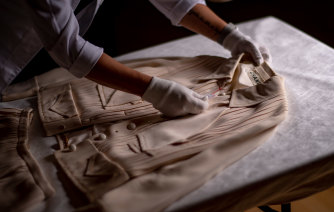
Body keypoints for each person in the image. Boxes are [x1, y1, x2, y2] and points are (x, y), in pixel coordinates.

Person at [0, 0, 270, 117]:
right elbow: (66, 47)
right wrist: (153, 90)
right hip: (12, 55)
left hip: (68, 44)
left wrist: (229, 35)